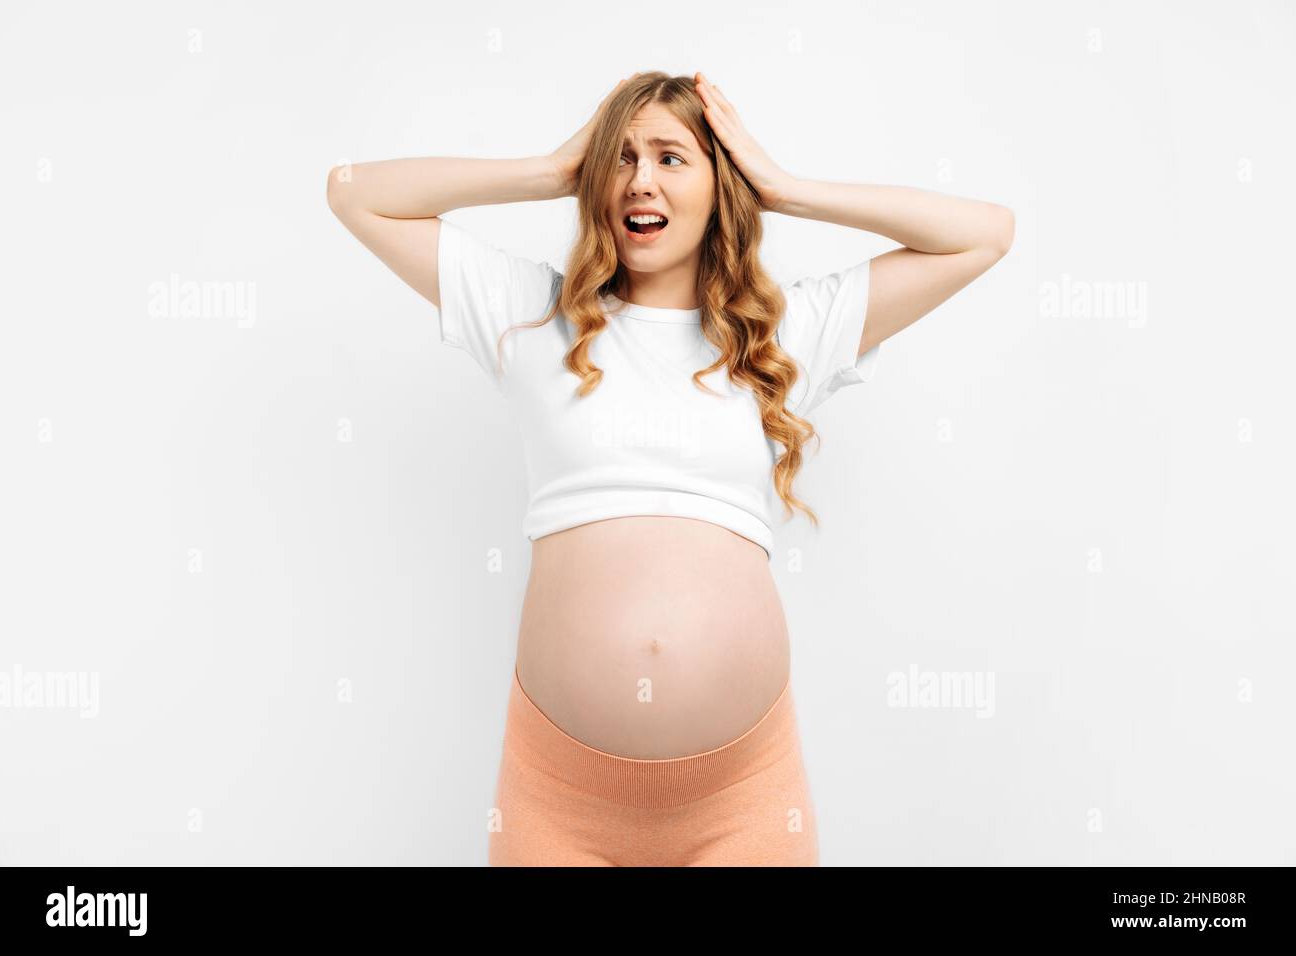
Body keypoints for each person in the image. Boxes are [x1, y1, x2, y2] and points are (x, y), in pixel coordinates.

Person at [326, 70, 1014, 866]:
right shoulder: (531, 316)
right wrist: (547, 171)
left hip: (741, 801)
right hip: (560, 800)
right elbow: (350, 192)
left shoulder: (780, 338)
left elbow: (985, 233)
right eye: (617, 159)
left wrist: (785, 188)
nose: (638, 180)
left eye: (668, 158)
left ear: (721, 186)